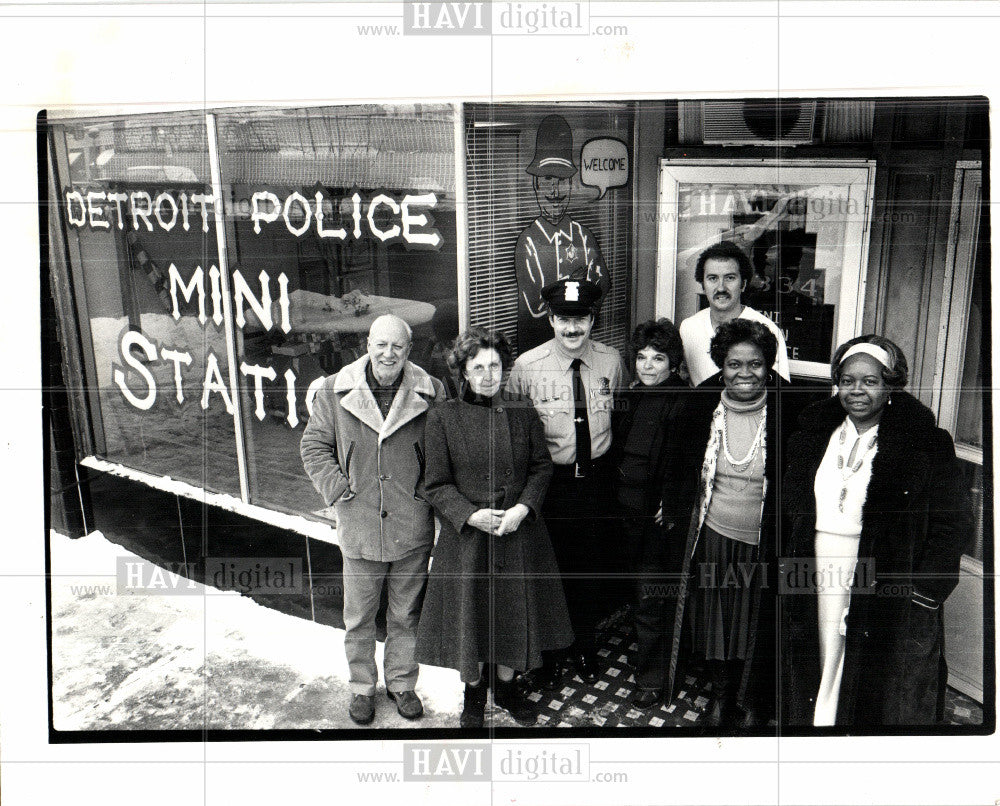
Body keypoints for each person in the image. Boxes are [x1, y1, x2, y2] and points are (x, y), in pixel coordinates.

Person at [781, 335, 971, 726]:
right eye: (848, 380)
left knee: (870, 675)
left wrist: (926, 589)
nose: (856, 390)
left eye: (870, 381)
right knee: (817, 656)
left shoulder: (925, 444)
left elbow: (952, 521)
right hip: (815, 566)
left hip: (876, 573)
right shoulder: (814, 435)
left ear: (890, 385)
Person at [415, 327, 573, 727]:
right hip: (468, 539)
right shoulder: (443, 417)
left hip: (516, 534)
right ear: (463, 371)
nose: (488, 375)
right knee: (471, 618)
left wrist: (525, 506)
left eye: (495, 365)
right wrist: (469, 514)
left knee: (510, 614)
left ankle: (506, 687)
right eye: (478, 366)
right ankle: (472, 695)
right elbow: (434, 483)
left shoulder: (521, 409)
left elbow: (541, 465)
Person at [300, 314, 446, 725]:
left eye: (397, 346)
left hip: (410, 525)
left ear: (409, 349)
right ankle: (361, 688)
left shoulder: (431, 391)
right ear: (367, 345)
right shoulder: (334, 389)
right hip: (360, 524)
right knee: (359, 617)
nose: (388, 353)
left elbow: (443, 450)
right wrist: (338, 489)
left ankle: (402, 683)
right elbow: (313, 447)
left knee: (405, 614)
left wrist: (424, 493)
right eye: (380, 344)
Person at [507, 278, 624, 689]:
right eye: (563, 319)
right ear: (551, 319)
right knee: (549, 570)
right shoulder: (526, 367)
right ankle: (551, 653)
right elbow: (513, 432)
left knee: (590, 567)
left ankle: (585, 645)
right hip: (550, 484)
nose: (572, 329)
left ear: (593, 320)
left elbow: (619, 420)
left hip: (596, 481)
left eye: (581, 319)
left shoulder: (611, 361)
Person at [665, 319, 780, 727]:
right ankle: (721, 697)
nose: (744, 373)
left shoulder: (790, 411)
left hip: (763, 543)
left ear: (768, 366)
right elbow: (677, 466)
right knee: (716, 622)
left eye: (755, 364)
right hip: (713, 535)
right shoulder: (700, 407)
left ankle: (748, 704)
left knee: (753, 624)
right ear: (720, 365)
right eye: (734, 364)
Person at [610, 319, 690, 709]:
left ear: (673, 363)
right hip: (625, 512)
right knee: (633, 594)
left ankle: (652, 677)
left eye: (658, 358)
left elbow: (689, 461)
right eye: (641, 357)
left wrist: (671, 501)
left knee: (650, 598)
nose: (647, 365)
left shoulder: (684, 400)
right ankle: (642, 657)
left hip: (656, 518)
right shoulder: (632, 395)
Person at [514, 114, 609, 352]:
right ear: (536, 184)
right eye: (547, 179)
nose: (555, 190)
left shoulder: (583, 235)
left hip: (580, 347)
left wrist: (565, 288)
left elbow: (602, 285)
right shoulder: (528, 241)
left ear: (571, 184)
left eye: (562, 180)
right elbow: (537, 305)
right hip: (538, 348)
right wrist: (577, 282)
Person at [678, 240, 791, 387]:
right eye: (713, 278)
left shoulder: (767, 331)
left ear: (743, 284)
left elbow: (778, 391)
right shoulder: (688, 328)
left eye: (730, 278)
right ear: (703, 286)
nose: (721, 288)